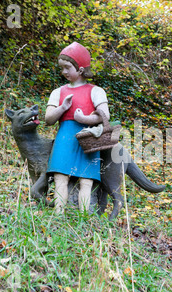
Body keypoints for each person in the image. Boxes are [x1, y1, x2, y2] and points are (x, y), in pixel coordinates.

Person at [45, 42, 110, 215]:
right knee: (60, 177)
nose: (64, 72)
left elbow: (105, 116)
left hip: (88, 139)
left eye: (67, 67)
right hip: (65, 138)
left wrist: (84, 118)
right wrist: (62, 108)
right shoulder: (58, 92)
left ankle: (84, 218)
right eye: (62, 68)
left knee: (86, 181)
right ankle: (58, 215)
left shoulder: (96, 91)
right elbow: (48, 119)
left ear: (80, 69)